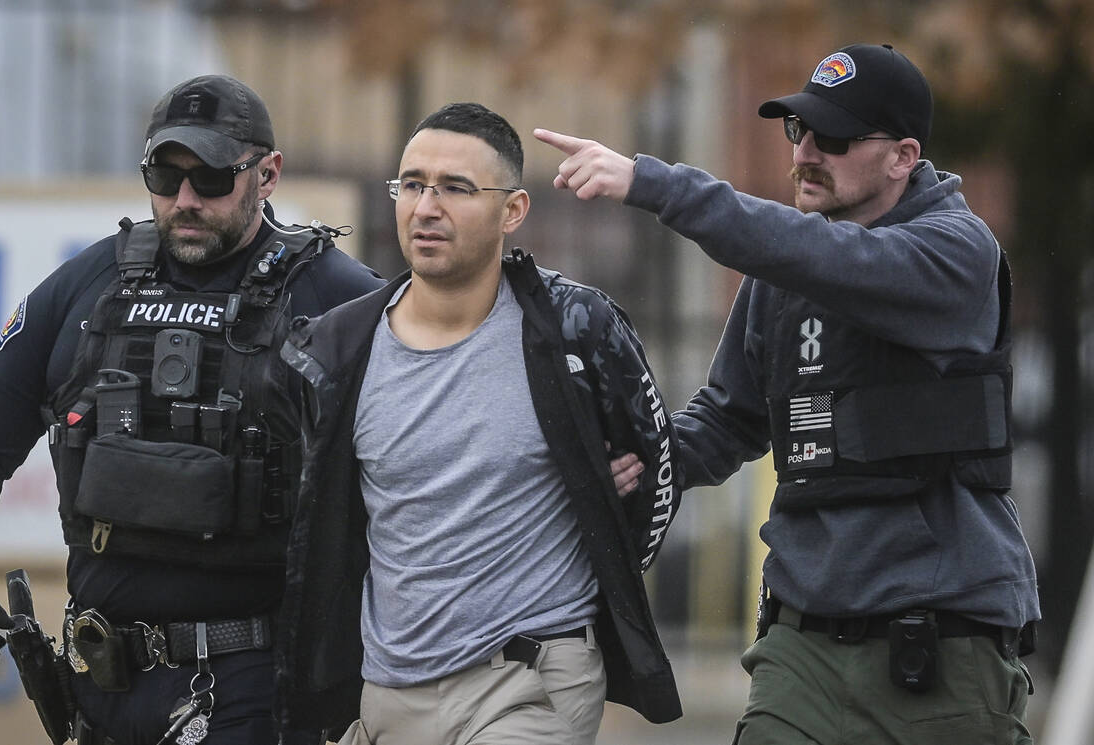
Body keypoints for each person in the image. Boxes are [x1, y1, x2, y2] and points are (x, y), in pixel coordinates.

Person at [536, 43, 1040, 745]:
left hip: (942, 645)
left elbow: (838, 262)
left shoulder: (958, 251)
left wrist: (655, 184)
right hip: (801, 646)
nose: (805, 153)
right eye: (796, 130)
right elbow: (729, 418)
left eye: (831, 137)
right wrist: (653, 459)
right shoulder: (780, 273)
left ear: (903, 155)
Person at [0, 74, 383, 745]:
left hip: (253, 683)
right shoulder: (88, 285)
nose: (185, 200)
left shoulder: (337, 296)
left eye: (212, 178)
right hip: (98, 683)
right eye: (165, 176)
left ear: (268, 173)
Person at [273, 102, 683, 745]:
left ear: (513, 211)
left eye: (456, 188)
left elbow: (655, 471)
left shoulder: (576, 329)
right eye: (412, 184)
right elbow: (325, 524)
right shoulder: (336, 348)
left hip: (529, 685)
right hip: (385, 694)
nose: (426, 206)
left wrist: (601, 540)